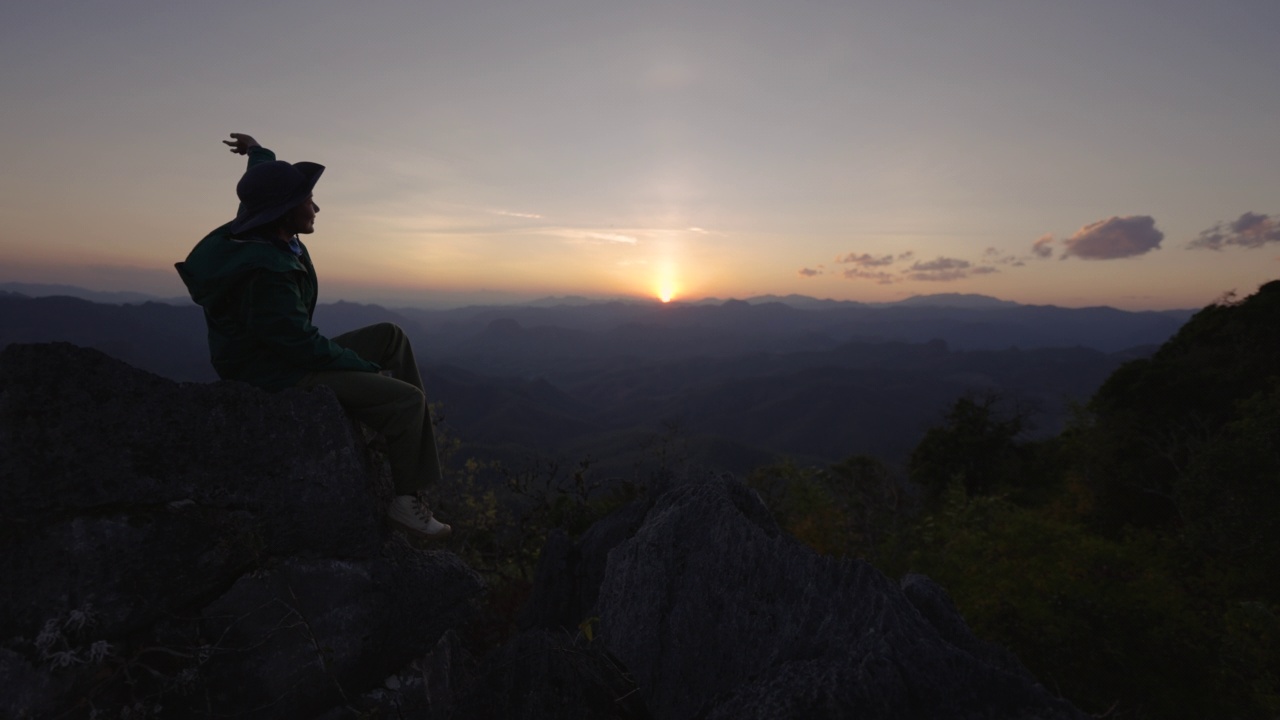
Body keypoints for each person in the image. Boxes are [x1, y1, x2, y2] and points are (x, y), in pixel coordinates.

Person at [176, 132, 451, 539]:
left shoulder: (264, 226)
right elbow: (299, 345)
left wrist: (256, 151)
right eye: (307, 201)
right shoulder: (265, 272)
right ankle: (405, 500)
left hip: (286, 350)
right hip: (273, 371)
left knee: (391, 336)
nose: (316, 206)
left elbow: (262, 179)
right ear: (285, 209)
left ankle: (402, 438)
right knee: (408, 400)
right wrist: (364, 369)